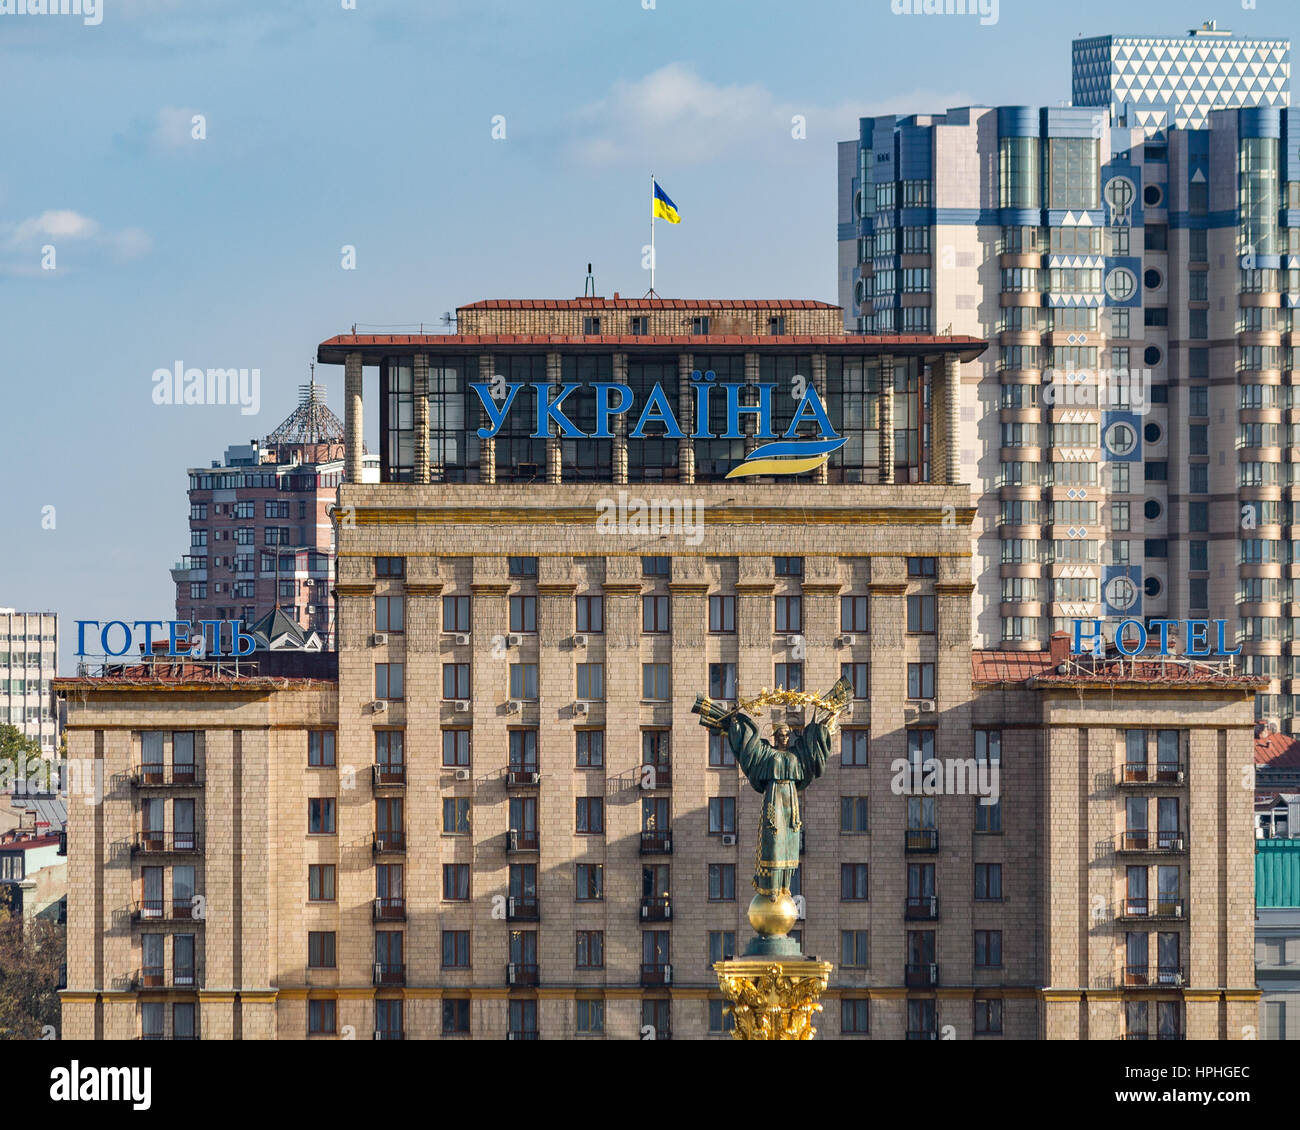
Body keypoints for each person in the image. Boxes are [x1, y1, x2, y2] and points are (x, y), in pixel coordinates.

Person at [725, 713, 831, 898]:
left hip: (790, 800)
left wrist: (822, 727)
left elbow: (812, 750)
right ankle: (770, 886)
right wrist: (735, 725)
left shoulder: (796, 753)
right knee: (773, 841)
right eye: (781, 735)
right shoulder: (767, 753)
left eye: (787, 735)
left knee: (790, 842)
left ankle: (785, 886)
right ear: (775, 737)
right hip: (773, 798)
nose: (784, 738)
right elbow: (748, 748)